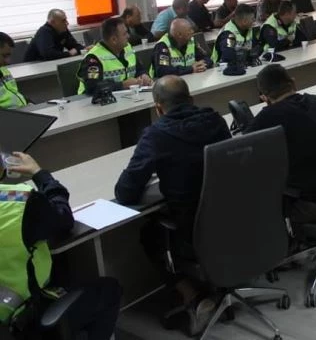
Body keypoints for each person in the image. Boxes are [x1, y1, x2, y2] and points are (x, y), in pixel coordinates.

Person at [114, 76, 230, 335]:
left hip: (193, 231)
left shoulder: (156, 135)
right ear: (191, 99)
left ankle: (193, 298)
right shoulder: (215, 120)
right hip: (232, 217)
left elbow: (125, 192)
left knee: (151, 234)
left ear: (157, 107)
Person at [0, 152, 121, 339]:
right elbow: (63, 216)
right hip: (20, 319)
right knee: (109, 290)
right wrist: (40, 174)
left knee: (62, 265)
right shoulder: (17, 201)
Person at [243, 65, 316, 224]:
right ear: (293, 82)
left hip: (308, 205)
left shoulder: (269, 116)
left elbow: (243, 146)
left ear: (264, 97)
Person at [77, 17, 151, 95]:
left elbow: (139, 68)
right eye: (125, 34)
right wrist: (122, 85)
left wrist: (143, 75)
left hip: (125, 96)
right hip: (92, 100)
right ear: (114, 40)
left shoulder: (127, 48)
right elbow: (92, 87)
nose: (128, 36)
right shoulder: (93, 58)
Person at [0, 32, 28, 108]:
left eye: (9, 55)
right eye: (4, 56)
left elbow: (14, 93)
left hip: (22, 110)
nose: (8, 61)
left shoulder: (4, 70)